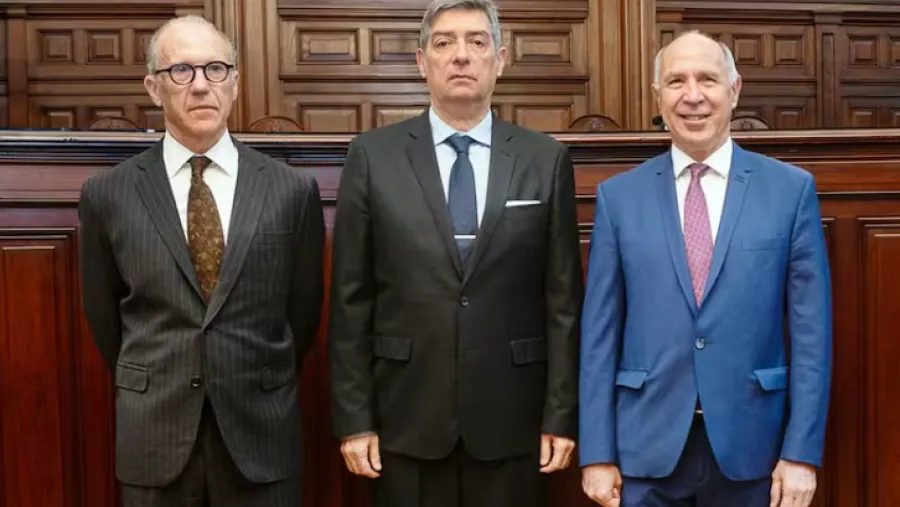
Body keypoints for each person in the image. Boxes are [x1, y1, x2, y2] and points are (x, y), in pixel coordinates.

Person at [327, 0, 584, 505]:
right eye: (444, 43)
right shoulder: (373, 155)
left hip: (514, 420)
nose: (461, 55)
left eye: (477, 41)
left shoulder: (545, 158)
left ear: (500, 60)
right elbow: (350, 300)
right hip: (404, 418)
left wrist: (561, 414)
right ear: (422, 62)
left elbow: (563, 303)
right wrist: (355, 420)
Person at [78, 14, 324, 507]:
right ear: (154, 88)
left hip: (261, 435)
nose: (200, 85)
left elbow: (302, 311)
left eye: (215, 69)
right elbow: (105, 317)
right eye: (181, 71)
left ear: (234, 82)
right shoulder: (108, 194)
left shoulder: (291, 191)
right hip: (156, 437)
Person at [578, 30, 832, 507]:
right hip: (643, 452)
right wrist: (596, 453)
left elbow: (811, 335)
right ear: (658, 96)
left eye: (708, 79)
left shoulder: (790, 191)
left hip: (754, 449)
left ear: (734, 90)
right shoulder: (619, 197)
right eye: (676, 81)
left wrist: (801, 453)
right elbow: (599, 336)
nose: (692, 95)